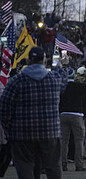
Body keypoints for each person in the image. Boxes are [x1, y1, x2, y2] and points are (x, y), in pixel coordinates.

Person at [0, 47, 69, 179]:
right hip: (50, 132)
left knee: (25, 166)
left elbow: (4, 108)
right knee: (53, 167)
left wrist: (9, 128)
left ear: (28, 60)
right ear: (44, 60)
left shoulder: (16, 81)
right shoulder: (54, 79)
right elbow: (64, 79)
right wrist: (60, 64)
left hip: (22, 133)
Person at [59, 65, 86, 171]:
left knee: (64, 141)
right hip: (77, 115)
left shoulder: (62, 87)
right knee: (79, 141)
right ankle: (79, 165)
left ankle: (63, 164)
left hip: (63, 114)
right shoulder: (78, 86)